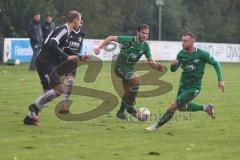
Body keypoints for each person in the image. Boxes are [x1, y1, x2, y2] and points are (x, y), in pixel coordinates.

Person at [146, 32, 225, 131]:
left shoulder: (202, 54)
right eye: (182, 41)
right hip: (183, 86)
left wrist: (220, 79)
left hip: (193, 88)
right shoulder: (181, 54)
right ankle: (206, 108)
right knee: (182, 108)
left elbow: (216, 63)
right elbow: (173, 70)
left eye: (185, 41)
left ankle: (156, 126)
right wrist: (173, 64)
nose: (183, 43)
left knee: (173, 106)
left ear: (193, 41)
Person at [23, 10, 82, 126]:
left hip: (47, 63)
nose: (80, 24)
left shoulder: (67, 32)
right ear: (75, 21)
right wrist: (67, 57)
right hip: (44, 63)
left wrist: (78, 57)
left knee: (48, 92)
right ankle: (33, 109)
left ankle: (31, 117)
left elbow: (61, 49)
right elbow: (52, 44)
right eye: (79, 22)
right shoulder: (64, 30)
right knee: (60, 89)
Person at [94, 24, 164, 120]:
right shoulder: (128, 39)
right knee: (136, 80)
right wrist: (99, 48)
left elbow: (150, 61)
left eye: (147, 33)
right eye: (143, 33)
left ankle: (121, 112)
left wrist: (156, 66)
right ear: (138, 32)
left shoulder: (145, 46)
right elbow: (111, 38)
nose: (145, 35)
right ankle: (130, 109)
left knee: (128, 91)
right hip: (119, 67)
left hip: (129, 69)